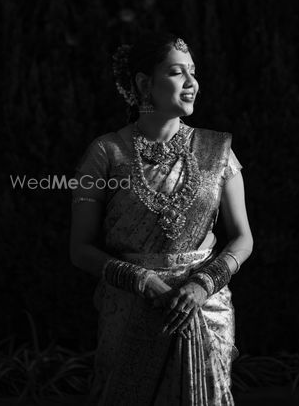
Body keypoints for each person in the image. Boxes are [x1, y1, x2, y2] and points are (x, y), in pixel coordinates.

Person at [70, 32, 253, 405]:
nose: (191, 82)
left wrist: (202, 284)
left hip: (204, 307)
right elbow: (80, 249)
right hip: (131, 308)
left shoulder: (218, 151)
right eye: (176, 72)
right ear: (143, 84)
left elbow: (243, 238)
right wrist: (142, 281)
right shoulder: (106, 153)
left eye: (193, 72)